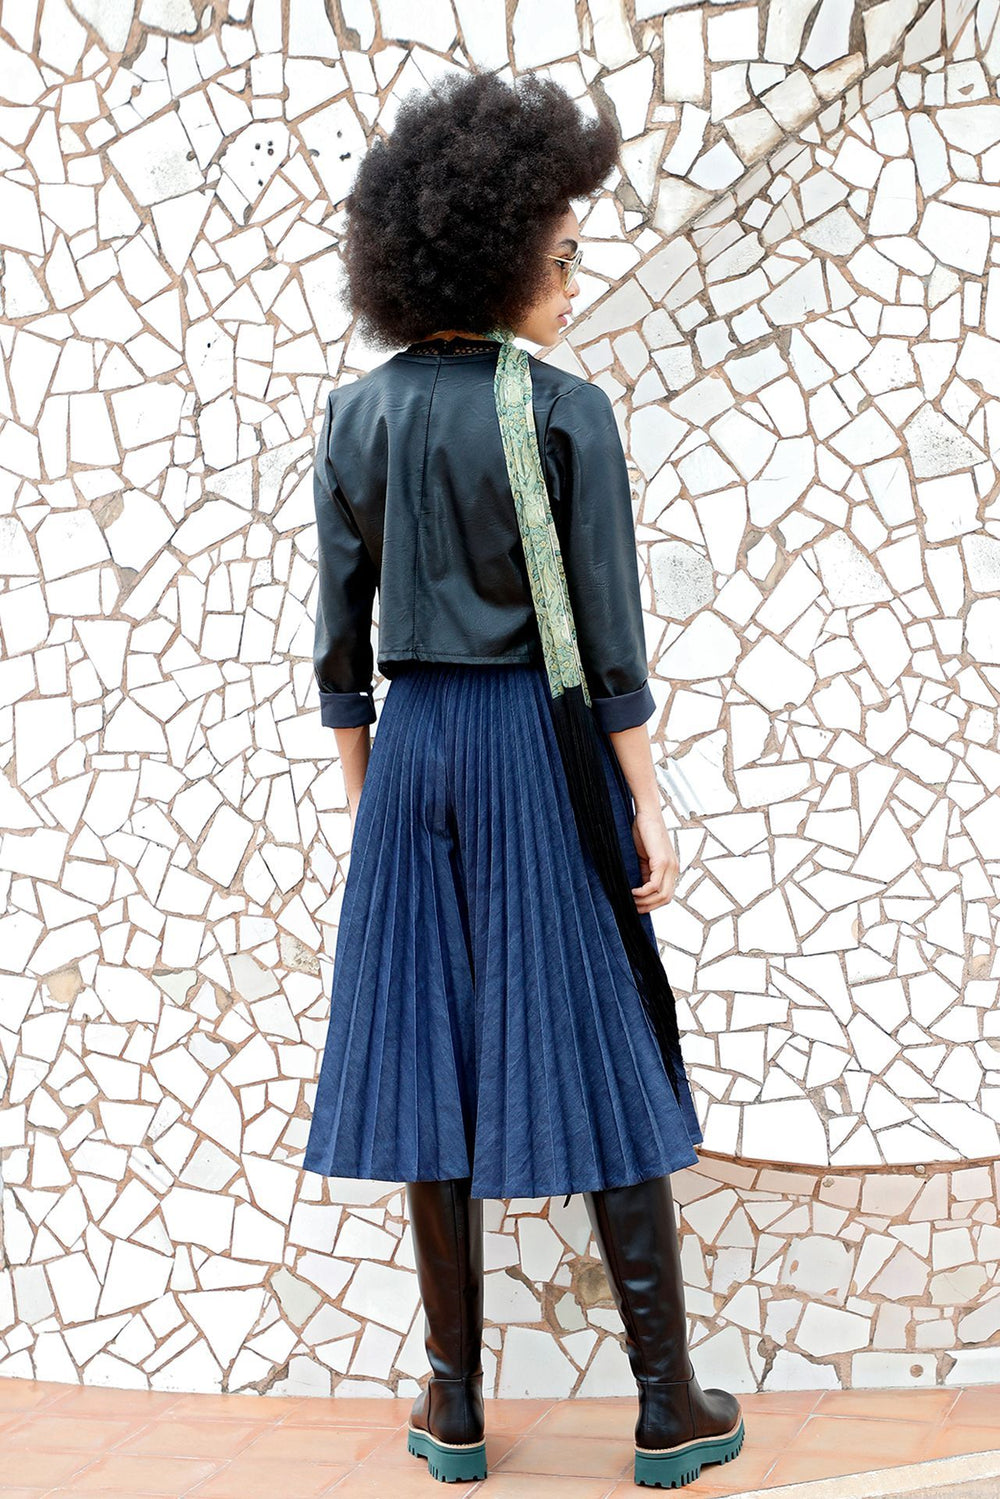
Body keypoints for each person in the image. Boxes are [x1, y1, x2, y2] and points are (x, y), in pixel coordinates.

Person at [301, 70, 744, 1490]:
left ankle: (452, 1407)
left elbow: (339, 651)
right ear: (495, 258)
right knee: (603, 1046)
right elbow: (609, 640)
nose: (570, 281)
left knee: (428, 1057)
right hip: (532, 753)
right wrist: (647, 797)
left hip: (412, 754)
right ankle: (667, 1406)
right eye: (560, 258)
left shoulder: (352, 418)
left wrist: (372, 797)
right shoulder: (563, 412)